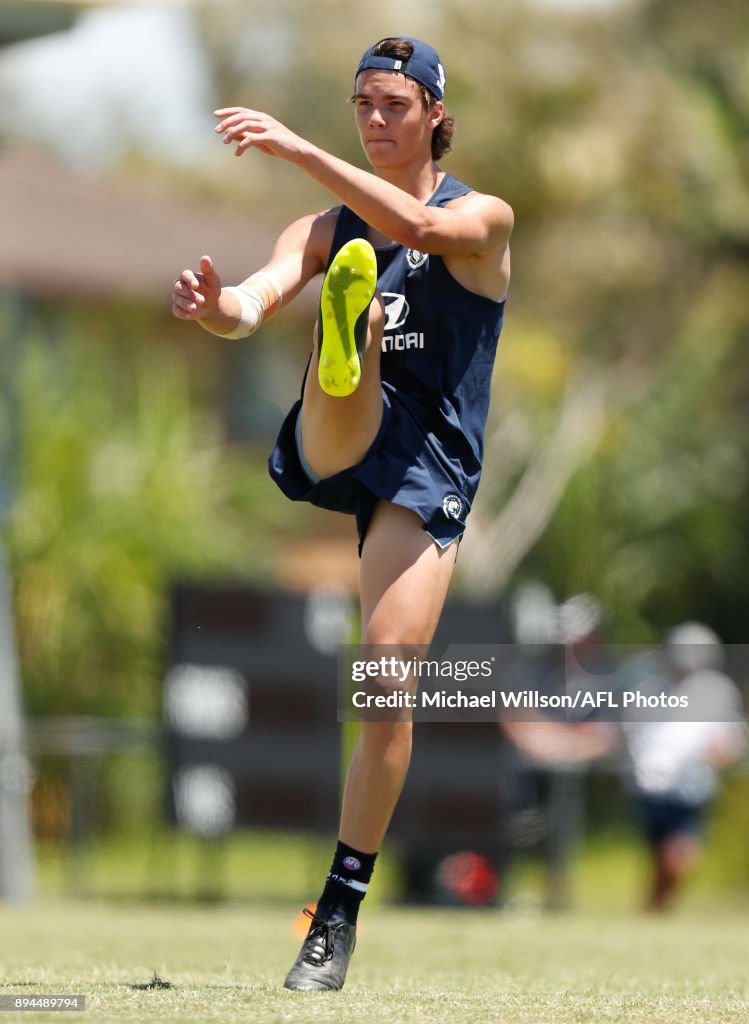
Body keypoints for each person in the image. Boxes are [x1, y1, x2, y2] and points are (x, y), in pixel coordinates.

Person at [171, 36, 513, 990]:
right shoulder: (325, 228)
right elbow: (253, 299)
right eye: (362, 104)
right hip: (346, 434)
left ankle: (338, 911)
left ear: (436, 115)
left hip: (423, 471)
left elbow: (422, 227)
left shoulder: (483, 217)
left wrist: (297, 149)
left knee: (386, 684)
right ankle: (346, 342)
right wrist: (215, 308)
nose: (374, 121)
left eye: (395, 106)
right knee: (338, 342)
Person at [622, 622, 746, 911]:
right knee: (659, 857)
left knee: (679, 856)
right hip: (651, 789)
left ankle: (655, 909)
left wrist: (721, 751)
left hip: (691, 787)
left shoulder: (718, 691)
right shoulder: (649, 688)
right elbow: (635, 735)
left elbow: (730, 740)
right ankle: (654, 911)